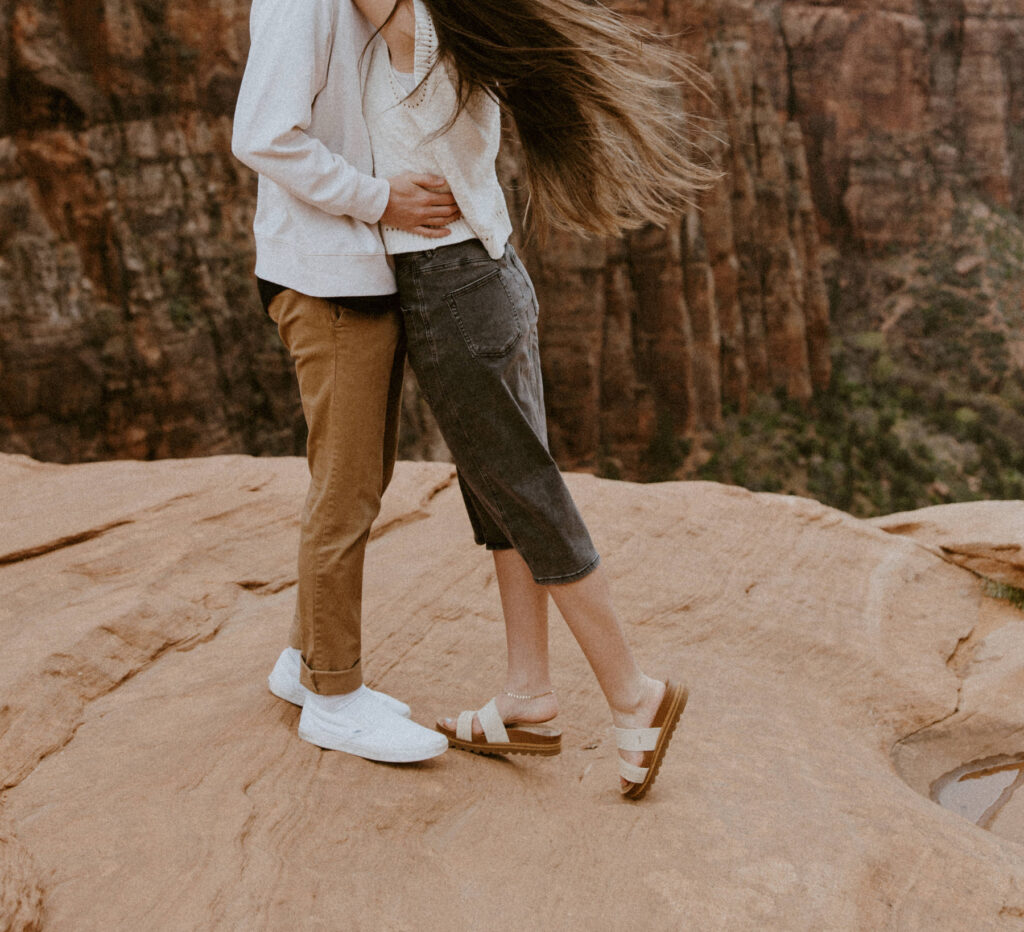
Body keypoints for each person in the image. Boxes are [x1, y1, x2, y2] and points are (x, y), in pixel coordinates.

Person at [352, 0, 717, 797]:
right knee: (502, 493)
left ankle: (633, 694)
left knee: (523, 489)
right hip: (487, 274)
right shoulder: (458, 20)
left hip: (449, 283)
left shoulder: (420, 24)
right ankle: (527, 695)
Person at [231, 0, 465, 762]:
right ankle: (333, 697)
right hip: (326, 277)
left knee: (360, 476)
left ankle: (303, 663)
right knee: (346, 487)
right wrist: (380, 198)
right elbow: (262, 134)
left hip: (356, 272)